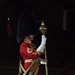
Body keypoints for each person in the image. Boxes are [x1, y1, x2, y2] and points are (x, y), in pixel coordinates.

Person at [17, 10, 47, 75]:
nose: (33, 35)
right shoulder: (23, 46)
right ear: (26, 35)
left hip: (34, 68)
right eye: (31, 34)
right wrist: (42, 44)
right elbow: (35, 55)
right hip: (29, 70)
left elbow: (34, 58)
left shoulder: (32, 45)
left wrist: (40, 61)